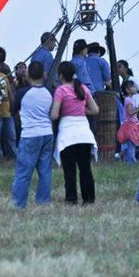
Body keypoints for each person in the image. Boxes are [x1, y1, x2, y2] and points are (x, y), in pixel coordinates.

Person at [51, 61, 99, 204]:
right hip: (84, 132)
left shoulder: (60, 90)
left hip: (68, 134)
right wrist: (81, 110)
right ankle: (89, 199)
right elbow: (95, 110)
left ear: (60, 75)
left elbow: (54, 114)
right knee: (85, 169)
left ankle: (71, 199)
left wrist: (63, 111)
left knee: (69, 170)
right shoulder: (83, 88)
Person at [11, 61, 54, 208]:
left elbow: (13, 109)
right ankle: (43, 202)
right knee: (45, 171)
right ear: (43, 75)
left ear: (28, 75)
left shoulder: (22, 93)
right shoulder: (49, 92)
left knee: (24, 171)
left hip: (29, 134)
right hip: (47, 133)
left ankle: (19, 204)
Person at [117, 80, 139, 163]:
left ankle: (124, 156)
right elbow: (130, 112)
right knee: (132, 145)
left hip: (132, 124)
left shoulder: (129, 99)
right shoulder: (128, 100)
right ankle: (131, 163)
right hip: (130, 126)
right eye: (133, 87)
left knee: (136, 144)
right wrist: (137, 109)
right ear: (128, 90)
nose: (135, 89)